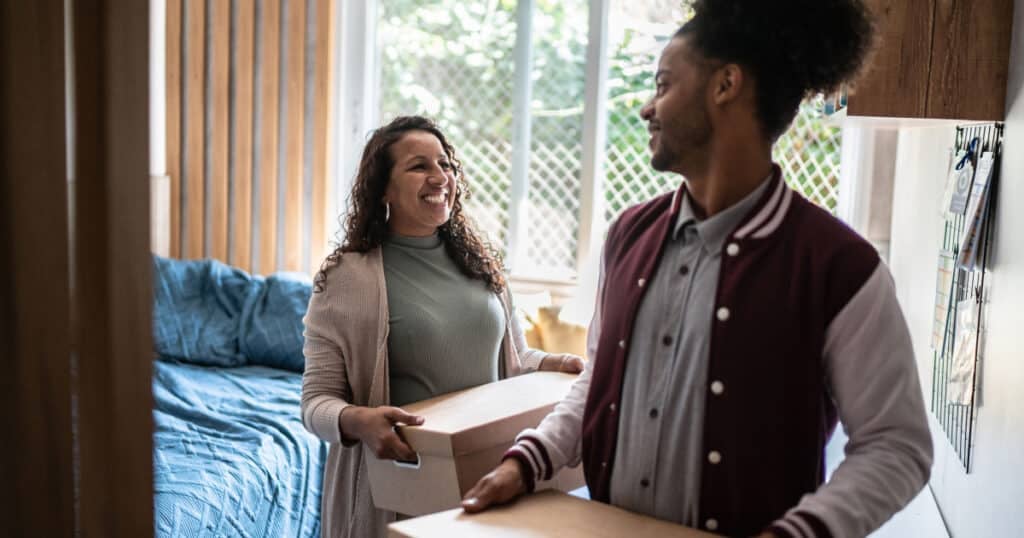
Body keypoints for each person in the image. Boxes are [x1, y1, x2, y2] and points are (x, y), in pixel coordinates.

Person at [462, 1, 933, 537]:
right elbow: (598, 381)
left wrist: (801, 533)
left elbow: (898, 447)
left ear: (726, 85)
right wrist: (526, 461)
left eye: (663, 84)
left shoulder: (840, 268)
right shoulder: (627, 236)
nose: (646, 108)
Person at [301, 115, 584, 538]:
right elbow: (315, 401)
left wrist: (555, 363)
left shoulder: (480, 265)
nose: (440, 177)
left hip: (491, 473)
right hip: (402, 490)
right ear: (383, 188)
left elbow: (515, 361)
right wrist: (358, 421)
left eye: (446, 164)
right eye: (419, 166)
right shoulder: (347, 277)